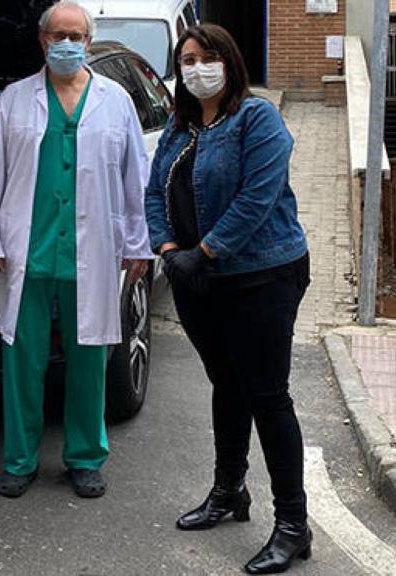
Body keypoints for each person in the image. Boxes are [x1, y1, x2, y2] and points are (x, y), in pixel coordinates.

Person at [144, 24, 312, 574]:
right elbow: (153, 192)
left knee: (267, 395)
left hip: (262, 274)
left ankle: (292, 525)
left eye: (207, 56)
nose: (197, 68)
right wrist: (168, 247)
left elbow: (258, 196)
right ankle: (229, 492)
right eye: (187, 60)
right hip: (197, 277)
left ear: (229, 61)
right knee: (226, 385)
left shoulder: (256, 118)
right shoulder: (180, 125)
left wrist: (208, 250)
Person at [0, 0, 152, 500]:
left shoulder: (115, 100)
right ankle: (20, 459)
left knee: (89, 356)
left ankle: (85, 456)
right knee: (22, 357)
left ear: (89, 42)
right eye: (57, 35)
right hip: (25, 246)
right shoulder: (15, 98)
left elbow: (135, 175)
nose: (66, 44)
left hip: (92, 249)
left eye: (76, 35)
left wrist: (139, 242)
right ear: (42, 41)